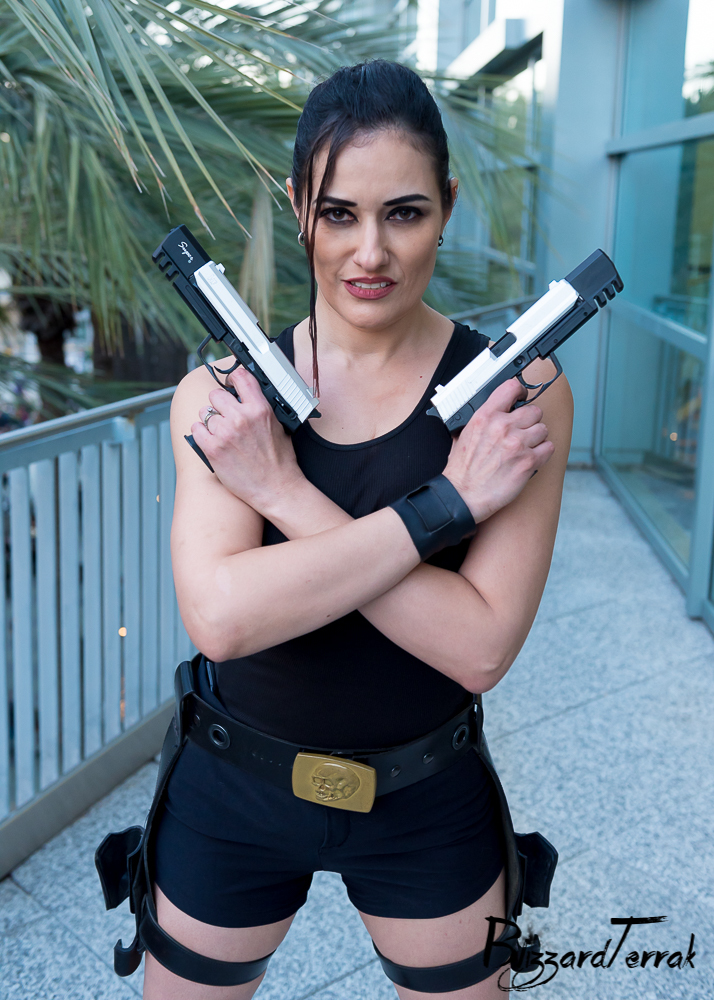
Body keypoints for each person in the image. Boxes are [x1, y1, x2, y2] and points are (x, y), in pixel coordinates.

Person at [154, 59, 573, 1000]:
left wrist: (283, 494)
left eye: (404, 213)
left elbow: (479, 647)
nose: (369, 253)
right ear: (299, 207)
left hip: (426, 798)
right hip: (232, 791)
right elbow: (221, 619)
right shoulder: (225, 398)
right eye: (339, 214)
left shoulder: (518, 396)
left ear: (448, 206)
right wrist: (445, 507)